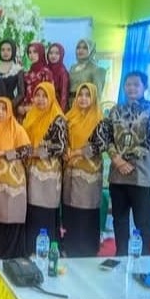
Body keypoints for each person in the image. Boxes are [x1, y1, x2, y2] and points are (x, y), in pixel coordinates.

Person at [90, 71, 150, 256]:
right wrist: (116, 159)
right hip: (118, 176)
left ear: (145, 87)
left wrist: (128, 160)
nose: (132, 88)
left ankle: (144, 259)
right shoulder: (115, 110)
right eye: (128, 85)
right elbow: (105, 136)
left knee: (143, 222)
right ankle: (121, 255)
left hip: (140, 175)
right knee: (119, 220)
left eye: (136, 85)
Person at [22, 82, 68, 256]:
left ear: (51, 98)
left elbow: (61, 146)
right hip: (31, 169)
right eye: (37, 95)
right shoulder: (30, 116)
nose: (40, 100)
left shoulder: (58, 118)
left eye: (44, 96)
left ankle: (45, 249)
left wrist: (37, 152)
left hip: (49, 172)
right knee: (32, 209)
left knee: (45, 209)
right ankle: (30, 248)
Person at [0, 96, 31, 259]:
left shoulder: (17, 129)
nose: (0, 112)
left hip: (12, 179)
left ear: (9, 111)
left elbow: (26, 150)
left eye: (4, 109)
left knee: (11, 214)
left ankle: (12, 252)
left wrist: (4, 153)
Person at [61, 82, 103, 257]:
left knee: (86, 209)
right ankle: (69, 247)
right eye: (80, 95)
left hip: (88, 173)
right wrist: (65, 151)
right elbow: (62, 139)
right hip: (70, 171)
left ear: (93, 98)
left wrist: (77, 152)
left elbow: (100, 145)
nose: (83, 99)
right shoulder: (69, 117)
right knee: (70, 208)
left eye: (87, 95)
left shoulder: (99, 119)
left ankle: (86, 249)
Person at [19, 42, 53, 119]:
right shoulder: (27, 73)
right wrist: (22, 106)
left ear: (41, 52)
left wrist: (32, 107)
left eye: (35, 52)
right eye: (29, 52)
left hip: (41, 111)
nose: (32, 55)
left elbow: (49, 96)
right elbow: (25, 93)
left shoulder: (46, 72)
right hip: (26, 110)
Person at [68, 38, 106, 108]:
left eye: (85, 48)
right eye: (78, 47)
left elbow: (97, 95)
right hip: (70, 105)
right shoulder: (73, 67)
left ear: (91, 50)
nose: (81, 50)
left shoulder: (96, 69)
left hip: (85, 105)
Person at [0, 39, 25, 115]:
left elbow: (21, 93)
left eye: (8, 50)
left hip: (11, 106)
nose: (5, 52)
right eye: (3, 50)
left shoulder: (17, 69)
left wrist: (9, 104)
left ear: (13, 51)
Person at [46, 42, 71, 112]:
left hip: (57, 108)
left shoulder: (63, 72)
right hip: (44, 105)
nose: (53, 56)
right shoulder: (45, 69)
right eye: (51, 53)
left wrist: (60, 113)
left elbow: (64, 95)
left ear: (61, 55)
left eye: (57, 53)